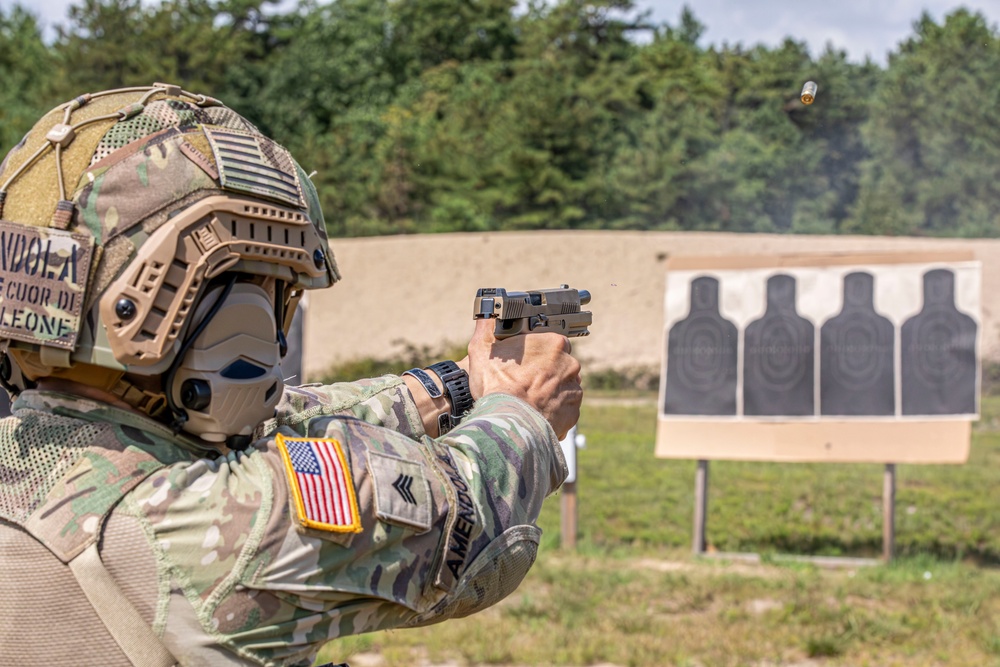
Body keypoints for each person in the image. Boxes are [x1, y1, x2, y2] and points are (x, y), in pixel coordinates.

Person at [0, 84, 582, 666]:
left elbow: (285, 419)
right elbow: (469, 514)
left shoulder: (46, 463)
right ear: (232, 318)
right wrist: (522, 410)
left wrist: (459, 384)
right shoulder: (217, 522)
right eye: (272, 292)